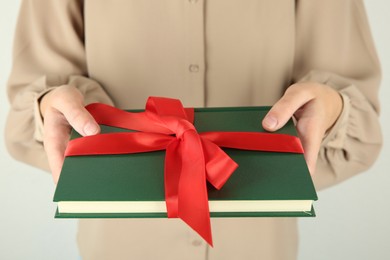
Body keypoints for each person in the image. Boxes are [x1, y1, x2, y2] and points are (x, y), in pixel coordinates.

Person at [5, 0, 382, 259]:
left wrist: (331, 108)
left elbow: (352, 104)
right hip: (121, 244)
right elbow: (39, 94)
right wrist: (51, 107)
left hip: (258, 244)